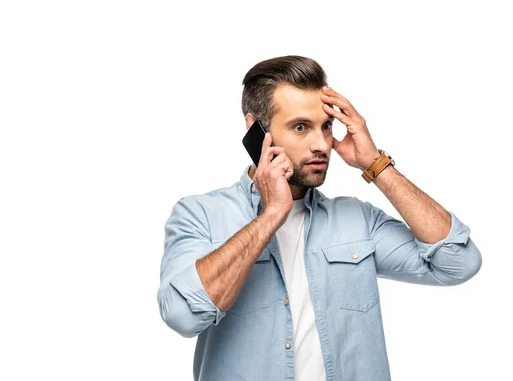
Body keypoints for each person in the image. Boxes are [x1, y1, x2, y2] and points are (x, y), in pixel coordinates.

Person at [157, 55, 482, 381]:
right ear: (256, 132)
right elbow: (184, 316)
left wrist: (375, 164)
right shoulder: (199, 214)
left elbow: (459, 261)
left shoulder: (358, 220)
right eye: (301, 127)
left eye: (326, 126)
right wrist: (271, 215)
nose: (321, 145)